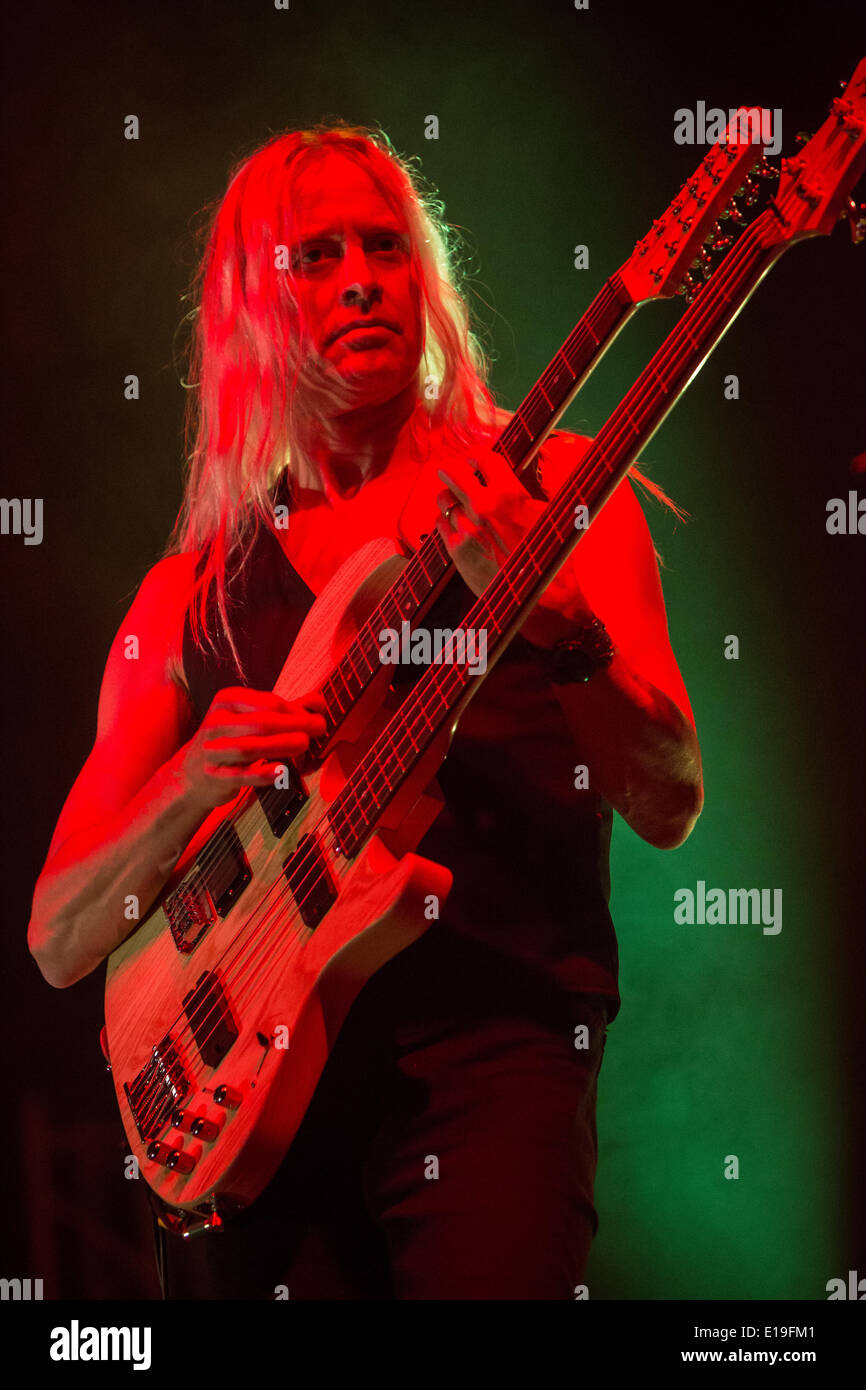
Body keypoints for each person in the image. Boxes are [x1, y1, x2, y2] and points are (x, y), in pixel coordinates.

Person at [27, 121, 703, 1300]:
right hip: (252, 1100)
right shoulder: (187, 596)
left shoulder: (557, 485)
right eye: (316, 256)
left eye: (383, 247)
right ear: (251, 305)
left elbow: (669, 800)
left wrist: (553, 621)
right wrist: (192, 783)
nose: (357, 279)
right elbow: (61, 935)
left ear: (422, 275)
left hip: (494, 1066)